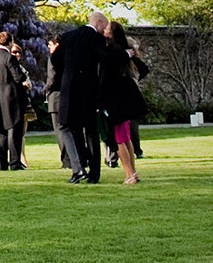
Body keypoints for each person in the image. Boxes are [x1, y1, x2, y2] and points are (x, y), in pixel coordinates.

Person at [55, 10, 109, 183]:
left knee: (72, 128)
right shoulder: (97, 39)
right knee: (91, 131)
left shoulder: (68, 37)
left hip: (69, 88)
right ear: (99, 22)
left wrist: (68, 71)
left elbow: (55, 60)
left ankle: (78, 169)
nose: (104, 31)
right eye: (104, 27)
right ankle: (94, 174)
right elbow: (105, 61)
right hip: (89, 90)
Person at [101, 21, 147, 185]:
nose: (104, 30)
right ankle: (133, 171)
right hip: (125, 96)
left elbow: (107, 60)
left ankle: (129, 174)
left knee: (120, 138)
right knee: (126, 137)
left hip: (116, 99)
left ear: (111, 33)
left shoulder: (112, 51)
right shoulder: (124, 51)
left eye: (107, 29)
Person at [0, 31, 28, 171]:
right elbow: (19, 78)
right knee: (14, 130)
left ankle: (2, 163)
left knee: (2, 131)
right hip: (11, 98)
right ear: (9, 42)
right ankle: (15, 162)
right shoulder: (9, 58)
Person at [44, 34, 71, 169]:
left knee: (60, 130)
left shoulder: (53, 58)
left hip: (56, 97)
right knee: (70, 129)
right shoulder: (70, 57)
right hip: (69, 96)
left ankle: (66, 160)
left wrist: (45, 90)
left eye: (50, 44)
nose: (48, 47)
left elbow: (52, 77)